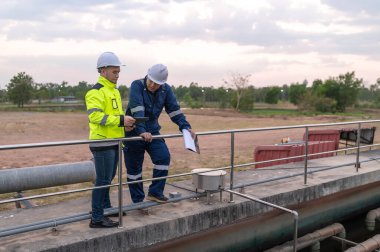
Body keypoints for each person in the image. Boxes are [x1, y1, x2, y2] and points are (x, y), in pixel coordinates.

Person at [123, 63, 195, 204]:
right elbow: (138, 110)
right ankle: (138, 201)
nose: (152, 85)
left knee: (163, 158)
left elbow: (174, 110)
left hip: (153, 131)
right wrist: (142, 131)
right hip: (134, 132)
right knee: (134, 169)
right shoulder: (136, 85)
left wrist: (185, 127)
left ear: (162, 83)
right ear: (147, 76)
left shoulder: (166, 90)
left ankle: (155, 192)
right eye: (150, 81)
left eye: (156, 84)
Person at [85, 52, 135, 228]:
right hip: (101, 143)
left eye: (118, 72)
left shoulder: (113, 91)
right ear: (103, 71)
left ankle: (105, 208)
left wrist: (125, 125)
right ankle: (97, 218)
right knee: (103, 181)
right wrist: (121, 120)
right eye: (114, 72)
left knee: (109, 178)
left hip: (114, 141)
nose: (117, 75)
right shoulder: (94, 92)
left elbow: (114, 117)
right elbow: (96, 117)